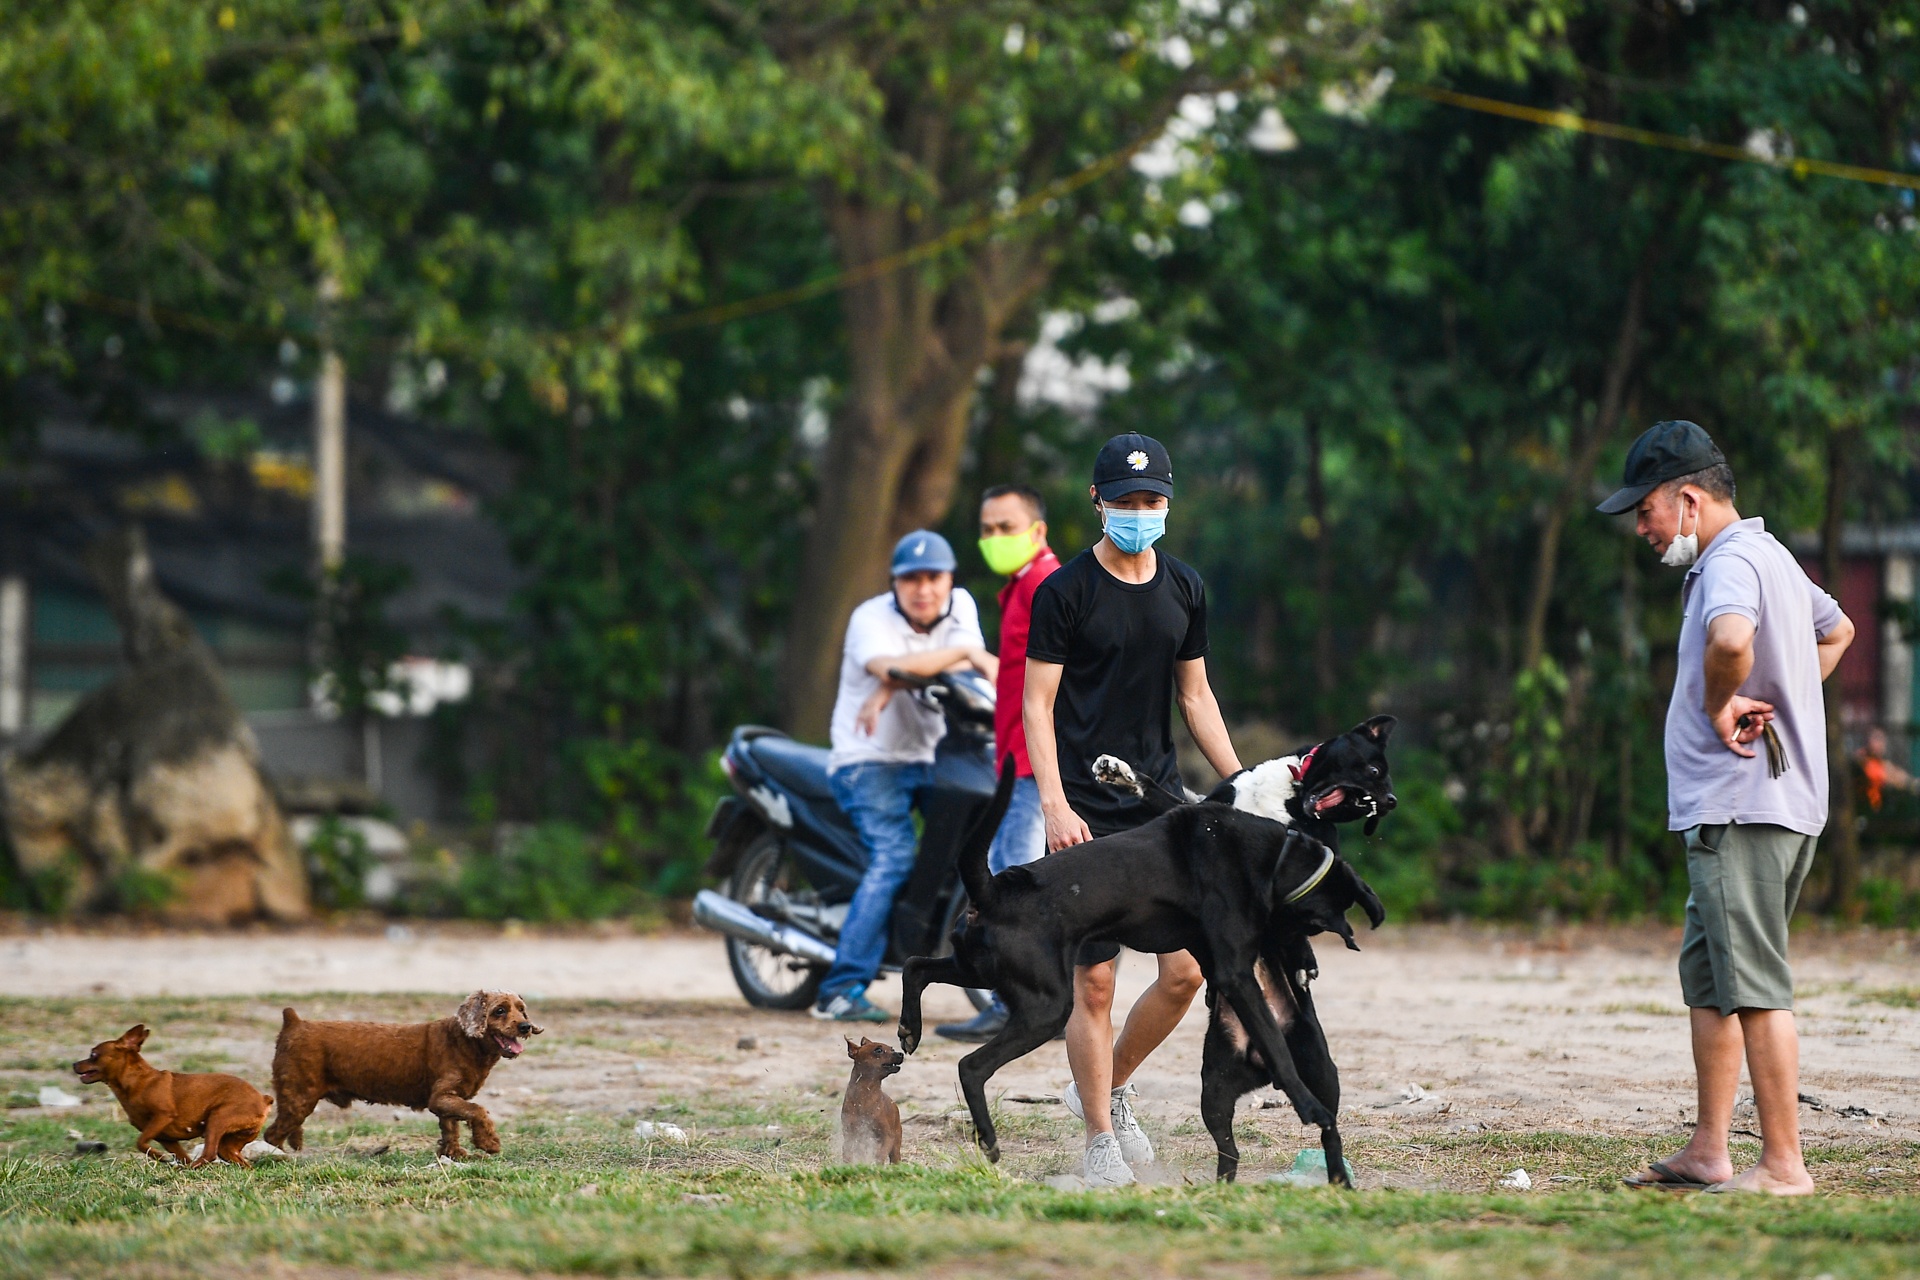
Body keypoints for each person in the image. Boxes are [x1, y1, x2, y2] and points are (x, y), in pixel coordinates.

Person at [1597, 420, 1853, 1195]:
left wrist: (1722, 704)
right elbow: (1837, 631)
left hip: (1745, 809)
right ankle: (1711, 1149)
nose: (1639, 527)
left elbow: (1732, 643)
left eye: (1643, 510)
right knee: (1711, 980)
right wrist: (1780, 696)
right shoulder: (1769, 554)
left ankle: (1783, 1166)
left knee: (1754, 984)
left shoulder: (1730, 563)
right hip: (1750, 808)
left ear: (1687, 498)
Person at [1024, 432, 1244, 1187]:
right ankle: (1097, 1142)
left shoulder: (1185, 588)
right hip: (1083, 814)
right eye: (1124, 501)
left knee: (1184, 974)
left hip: (1158, 809)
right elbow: (1037, 705)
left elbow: (1197, 697)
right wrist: (1052, 802)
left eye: (1151, 502)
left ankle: (1107, 1088)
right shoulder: (1065, 593)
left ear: (1169, 503)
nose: (1138, 513)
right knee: (1095, 983)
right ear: (1096, 501)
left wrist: (1243, 786)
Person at [814, 530, 998, 1023]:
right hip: (865, 761)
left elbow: (959, 676)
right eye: (911, 579)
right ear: (894, 583)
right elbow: (888, 665)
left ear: (950, 579)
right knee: (896, 855)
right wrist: (965, 655)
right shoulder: (868, 618)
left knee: (967, 849)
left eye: (933, 577)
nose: (924, 589)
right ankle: (839, 987)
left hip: (932, 758)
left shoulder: (961, 605)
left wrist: (898, 680)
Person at [935, 484, 1062, 1043]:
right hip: (1013, 754)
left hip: (1031, 763)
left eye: (1006, 527)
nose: (994, 539)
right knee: (1023, 884)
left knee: (1014, 887)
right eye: (987, 529)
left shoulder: (1045, 585)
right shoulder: (1020, 586)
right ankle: (1034, 1004)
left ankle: (1018, 1008)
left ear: (1037, 532)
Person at [1855, 726, 1916, 811]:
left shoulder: (1881, 762)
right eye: (1876, 739)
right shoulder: (1863, 760)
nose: (1880, 744)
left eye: (1882, 739)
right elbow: (1883, 775)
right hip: (1864, 809)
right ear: (1868, 741)